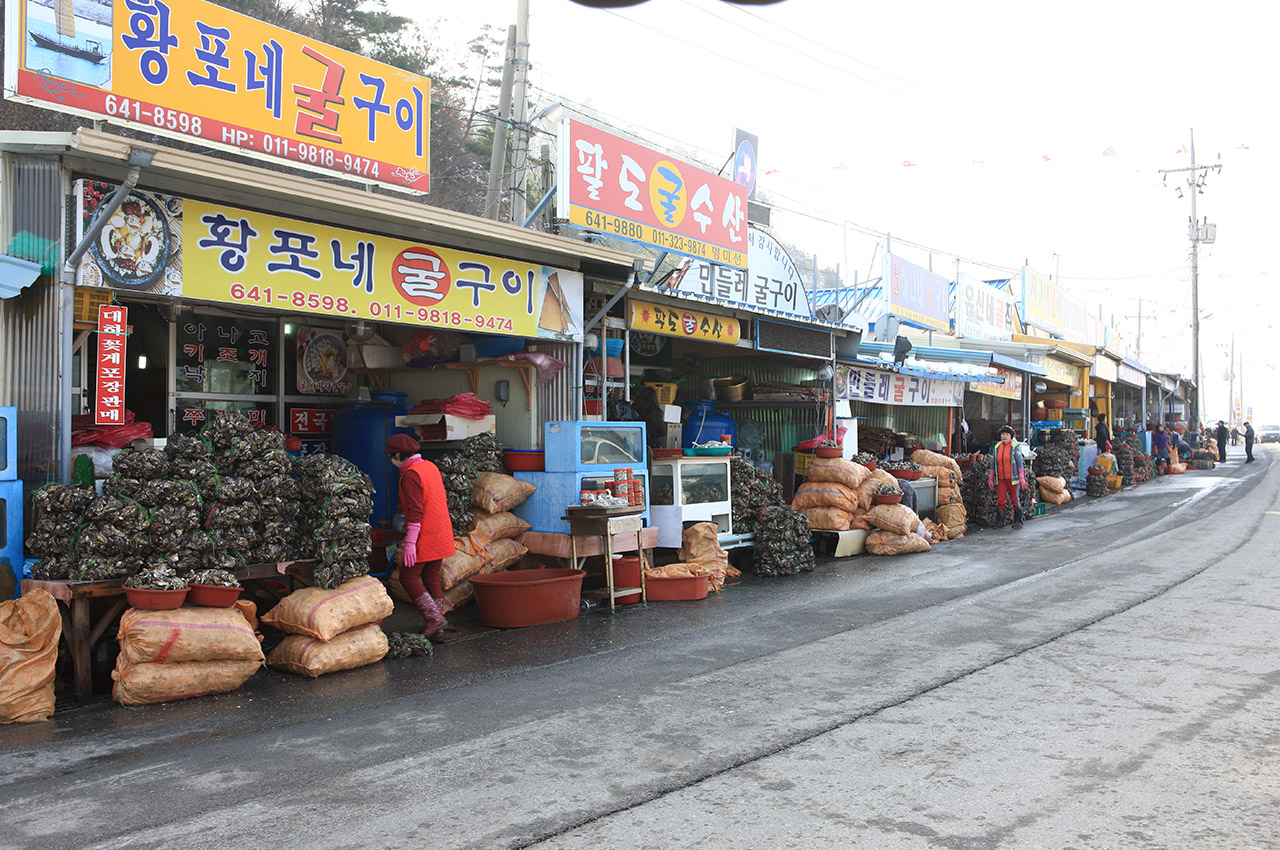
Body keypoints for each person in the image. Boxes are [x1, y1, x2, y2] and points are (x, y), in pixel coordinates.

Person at [387, 433, 454, 638]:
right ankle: (437, 625)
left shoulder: (410, 475)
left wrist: (409, 543)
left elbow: (416, 512)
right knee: (431, 576)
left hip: (425, 534)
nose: (390, 461)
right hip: (442, 531)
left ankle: (434, 619)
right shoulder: (430, 467)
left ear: (398, 454)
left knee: (408, 577)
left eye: (391, 456)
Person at [986, 425, 1026, 530]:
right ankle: (1000, 521)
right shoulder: (997, 447)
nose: (1004, 436)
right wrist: (991, 477)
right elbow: (993, 462)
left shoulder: (1015, 447)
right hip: (1001, 479)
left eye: (1007, 434)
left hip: (1013, 479)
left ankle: (1018, 521)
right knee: (1000, 500)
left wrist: (1021, 478)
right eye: (1003, 434)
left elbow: (1019, 463)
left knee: (1014, 500)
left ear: (1011, 436)